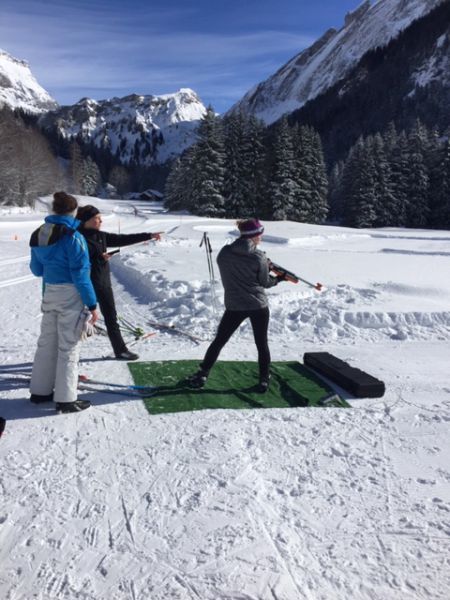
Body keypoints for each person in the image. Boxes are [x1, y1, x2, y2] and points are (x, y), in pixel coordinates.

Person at [188, 218, 285, 393]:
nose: (261, 237)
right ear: (254, 236)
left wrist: (263, 265)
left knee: (219, 341)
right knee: (261, 343)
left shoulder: (225, 253)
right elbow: (265, 282)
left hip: (234, 305)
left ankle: (202, 373)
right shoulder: (259, 256)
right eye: (260, 234)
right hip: (258, 305)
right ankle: (264, 380)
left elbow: (237, 270)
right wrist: (278, 278)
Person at [29, 191, 99, 414]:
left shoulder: (39, 233)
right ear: (74, 212)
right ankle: (66, 399)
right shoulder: (73, 237)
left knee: (46, 343)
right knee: (69, 346)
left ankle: (40, 392)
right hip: (70, 294)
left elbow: (36, 269)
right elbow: (81, 275)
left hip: (49, 291)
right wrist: (92, 304)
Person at [76, 205, 162, 360]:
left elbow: (122, 239)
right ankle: (66, 354)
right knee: (76, 319)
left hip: (102, 282)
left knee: (111, 317)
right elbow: (75, 261)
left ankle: (120, 350)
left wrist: (148, 235)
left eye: (100, 218)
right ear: (85, 220)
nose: (100, 221)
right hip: (84, 284)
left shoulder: (100, 235)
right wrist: (97, 258)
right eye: (96, 218)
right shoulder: (77, 238)